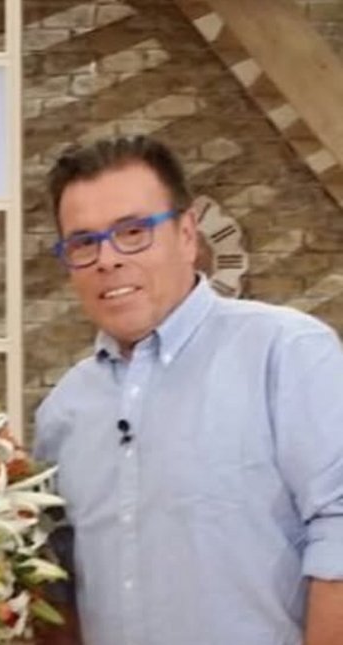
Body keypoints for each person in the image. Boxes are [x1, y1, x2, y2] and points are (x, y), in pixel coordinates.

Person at [34, 135, 343, 645]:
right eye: (84, 242)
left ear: (186, 235)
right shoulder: (62, 411)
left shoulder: (286, 353)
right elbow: (56, 585)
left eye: (133, 232)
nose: (107, 259)